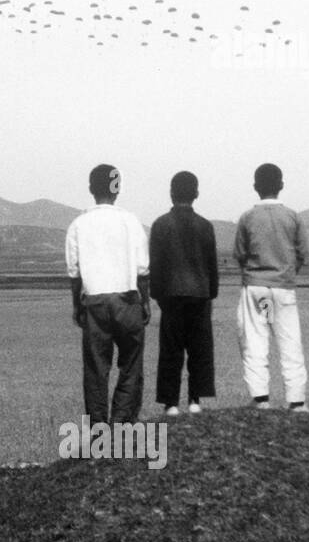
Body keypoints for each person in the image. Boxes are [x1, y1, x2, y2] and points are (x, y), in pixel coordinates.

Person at [65, 164, 151, 427]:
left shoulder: (78, 224)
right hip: (127, 300)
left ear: (91, 189)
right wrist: (145, 302)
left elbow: (74, 273)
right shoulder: (130, 221)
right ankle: (123, 423)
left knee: (95, 370)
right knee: (131, 365)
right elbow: (143, 269)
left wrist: (77, 306)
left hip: (95, 303)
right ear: (118, 188)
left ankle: (99, 429)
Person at [233, 163, 309, 411]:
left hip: (257, 290)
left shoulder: (247, 217)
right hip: (283, 289)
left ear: (255, 187)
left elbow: (240, 253)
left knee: (256, 341)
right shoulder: (292, 217)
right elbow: (301, 253)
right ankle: (296, 401)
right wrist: (285, 273)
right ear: (281, 186)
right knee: (290, 343)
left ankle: (261, 398)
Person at [149, 171, 220, 415]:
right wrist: (211, 293)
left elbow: (155, 266)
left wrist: (158, 294)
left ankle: (170, 403)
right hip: (200, 293)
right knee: (199, 348)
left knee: (171, 350)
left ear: (171, 193)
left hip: (170, 295)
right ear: (196, 194)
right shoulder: (205, 226)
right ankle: (195, 399)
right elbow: (212, 265)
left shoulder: (160, 225)